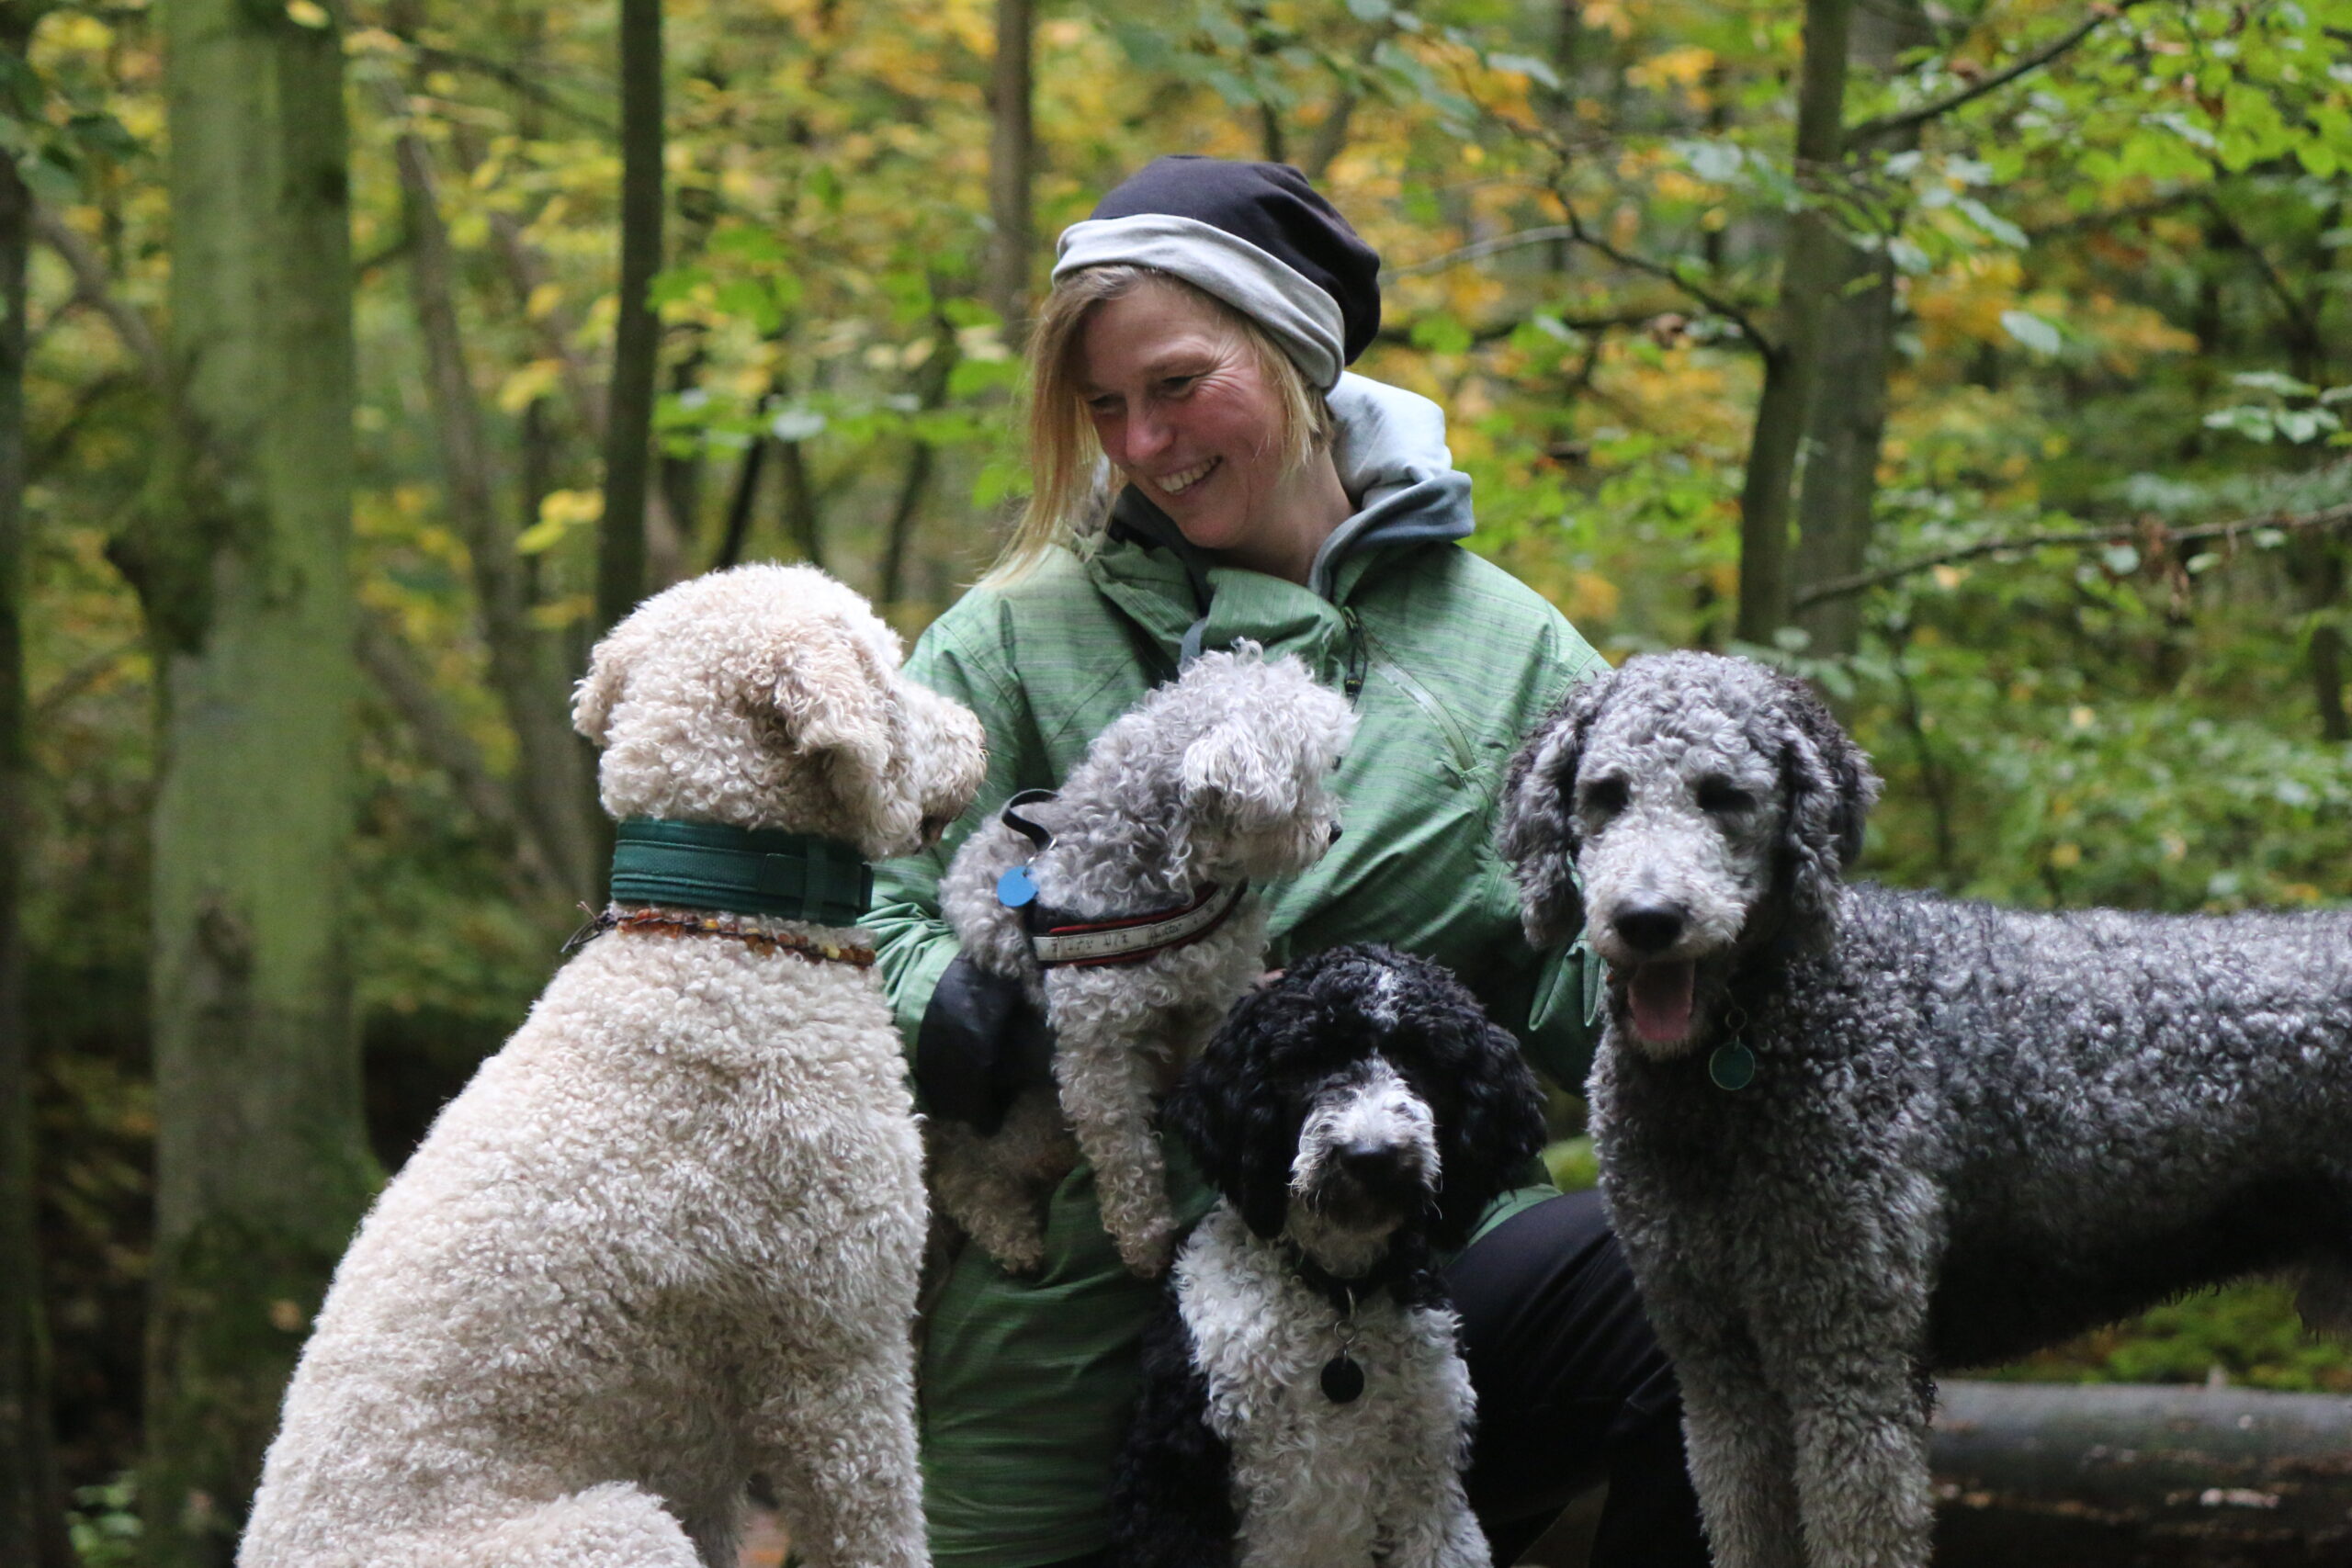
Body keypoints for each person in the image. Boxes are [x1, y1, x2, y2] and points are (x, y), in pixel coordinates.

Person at [865, 155, 1710, 1568]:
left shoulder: (1505, 652)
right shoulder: (1011, 637)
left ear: (1298, 358)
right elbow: (863, 915)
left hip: (1415, 1298)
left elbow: (1600, 975)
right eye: (1106, 408)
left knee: (1704, 1283)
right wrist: (997, 1000)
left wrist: (1722, 1008)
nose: (1141, 442)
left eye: (1181, 384)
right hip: (1084, 1309)